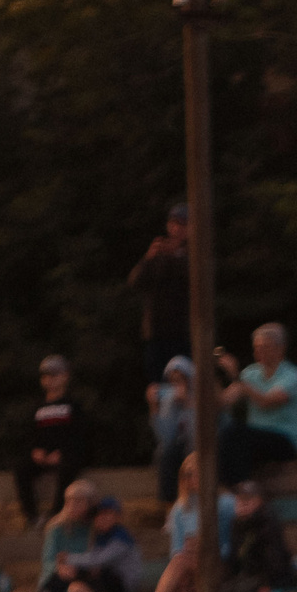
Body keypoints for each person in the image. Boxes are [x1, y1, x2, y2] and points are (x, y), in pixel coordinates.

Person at [129, 454, 235, 592]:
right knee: (180, 573)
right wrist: (189, 550)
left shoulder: (226, 503)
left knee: (181, 568)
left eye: (197, 473)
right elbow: (176, 549)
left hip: (219, 561)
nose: (193, 478)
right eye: (188, 474)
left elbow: (233, 541)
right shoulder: (180, 508)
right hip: (189, 564)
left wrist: (205, 547)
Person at [212, 323, 297, 491]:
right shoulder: (250, 373)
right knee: (225, 433)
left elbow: (266, 402)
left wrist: (236, 376)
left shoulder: (293, 375)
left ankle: (242, 488)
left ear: (280, 349)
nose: (258, 352)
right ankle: (228, 488)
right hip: (255, 438)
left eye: (264, 347)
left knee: (236, 434)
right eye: (256, 347)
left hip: (284, 438)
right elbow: (224, 402)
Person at [13, 354, 89, 524]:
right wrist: (35, 450)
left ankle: (57, 513)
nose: (50, 380)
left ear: (65, 376)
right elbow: (31, 433)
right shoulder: (38, 408)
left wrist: (62, 452)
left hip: (64, 455)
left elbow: (78, 434)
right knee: (21, 469)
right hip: (43, 456)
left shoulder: (72, 405)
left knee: (68, 468)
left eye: (54, 375)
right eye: (46, 376)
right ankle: (31, 516)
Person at [47, 495, 142, 592]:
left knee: (87, 583)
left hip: (123, 583)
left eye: (107, 514)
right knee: (74, 575)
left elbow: (99, 559)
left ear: (117, 516)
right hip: (105, 575)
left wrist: (69, 558)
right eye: (99, 515)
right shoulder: (101, 536)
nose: (102, 519)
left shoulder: (121, 537)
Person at [127, 201, 191, 384]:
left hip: (183, 332)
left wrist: (177, 254)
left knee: (184, 382)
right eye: (174, 224)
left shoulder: (195, 254)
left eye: (183, 224)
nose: (178, 229)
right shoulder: (158, 254)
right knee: (157, 384)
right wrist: (148, 258)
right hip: (156, 332)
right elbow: (135, 282)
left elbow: (194, 279)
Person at [228, 477, 297, 592]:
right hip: (247, 576)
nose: (242, 504)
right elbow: (235, 557)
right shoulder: (237, 524)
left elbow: (274, 558)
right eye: (239, 500)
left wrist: (267, 584)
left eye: (247, 499)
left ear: (259, 501)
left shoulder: (267, 523)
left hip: (270, 577)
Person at [147, 355, 197, 504]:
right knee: (167, 452)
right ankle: (167, 502)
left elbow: (197, 435)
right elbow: (165, 438)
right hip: (177, 450)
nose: (176, 385)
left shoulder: (200, 398)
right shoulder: (169, 401)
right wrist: (154, 407)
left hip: (198, 448)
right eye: (172, 381)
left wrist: (188, 404)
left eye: (180, 380)